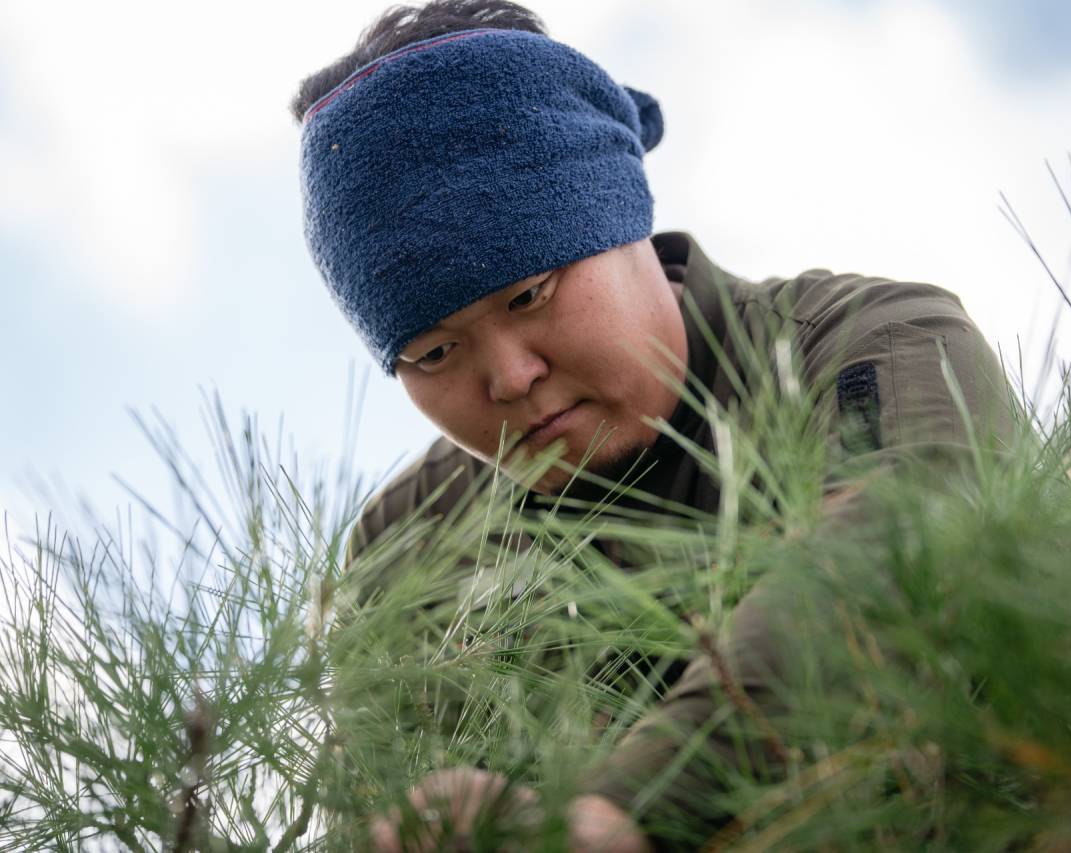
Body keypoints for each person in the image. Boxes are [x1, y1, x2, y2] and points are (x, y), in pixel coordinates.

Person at [293, 2, 1015, 848]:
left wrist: (622, 812)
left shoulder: (872, 344)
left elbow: (899, 543)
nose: (511, 377)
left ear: (622, 217)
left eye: (529, 295)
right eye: (435, 352)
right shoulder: (407, 543)